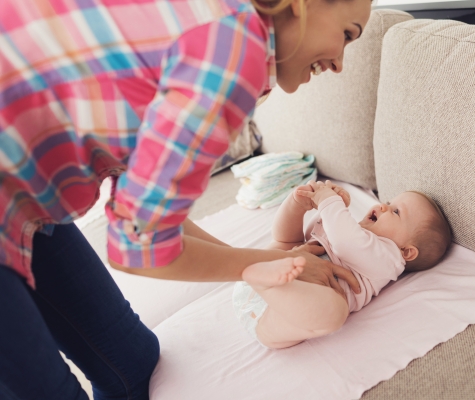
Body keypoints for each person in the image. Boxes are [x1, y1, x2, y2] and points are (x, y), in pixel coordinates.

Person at [0, 0, 371, 398]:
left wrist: (265, 266)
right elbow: (140, 250)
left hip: (20, 194)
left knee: (131, 363)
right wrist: (266, 263)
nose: (339, 64)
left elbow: (146, 218)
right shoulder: (230, 49)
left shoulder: (205, 24)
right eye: (347, 34)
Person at [232, 180, 452, 348]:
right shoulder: (353, 230)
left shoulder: (390, 260)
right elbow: (302, 237)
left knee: (333, 313)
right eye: (387, 202)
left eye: (396, 212)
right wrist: (301, 206)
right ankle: (290, 208)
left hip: (274, 316)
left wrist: (330, 203)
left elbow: (346, 241)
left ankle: (263, 281)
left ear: (407, 251)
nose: (383, 207)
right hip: (274, 273)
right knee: (287, 241)